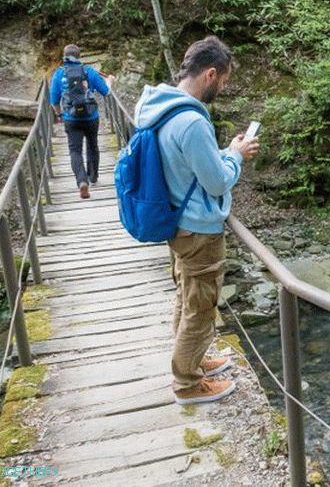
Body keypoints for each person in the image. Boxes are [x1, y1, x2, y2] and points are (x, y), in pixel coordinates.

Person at [133, 36, 258, 404]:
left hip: (176, 221)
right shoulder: (191, 121)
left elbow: (184, 164)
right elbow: (217, 181)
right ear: (210, 73)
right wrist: (235, 157)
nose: (224, 87)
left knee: (187, 300)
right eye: (224, 80)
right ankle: (187, 383)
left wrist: (222, 152)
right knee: (201, 307)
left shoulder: (159, 106)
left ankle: (194, 361)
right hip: (198, 229)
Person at [49, 44, 113, 199]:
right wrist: (110, 80)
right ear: (79, 56)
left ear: (64, 56)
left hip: (71, 118)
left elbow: (54, 100)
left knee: (75, 150)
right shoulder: (89, 71)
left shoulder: (59, 74)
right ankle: (93, 176)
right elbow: (106, 92)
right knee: (93, 145)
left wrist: (60, 115)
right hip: (91, 117)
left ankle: (82, 181)